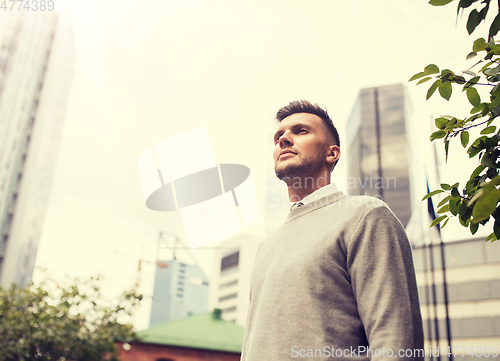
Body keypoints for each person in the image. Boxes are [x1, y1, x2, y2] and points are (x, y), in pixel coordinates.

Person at [240, 100, 424, 360]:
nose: (284, 140)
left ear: (332, 153)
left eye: (300, 131)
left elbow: (396, 341)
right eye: (279, 136)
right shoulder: (265, 247)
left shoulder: (365, 216)